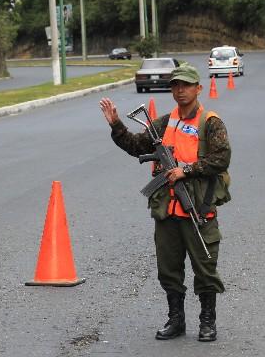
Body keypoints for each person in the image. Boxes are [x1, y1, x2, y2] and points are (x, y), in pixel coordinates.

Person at [99, 64, 231, 342]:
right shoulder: (164, 122)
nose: (180, 90)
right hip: (167, 210)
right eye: (175, 85)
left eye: (185, 85)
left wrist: (187, 170)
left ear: (198, 88)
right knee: (168, 269)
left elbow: (221, 158)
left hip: (198, 207)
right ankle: (176, 319)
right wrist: (116, 124)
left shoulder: (210, 122)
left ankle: (207, 321)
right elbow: (137, 146)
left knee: (205, 266)